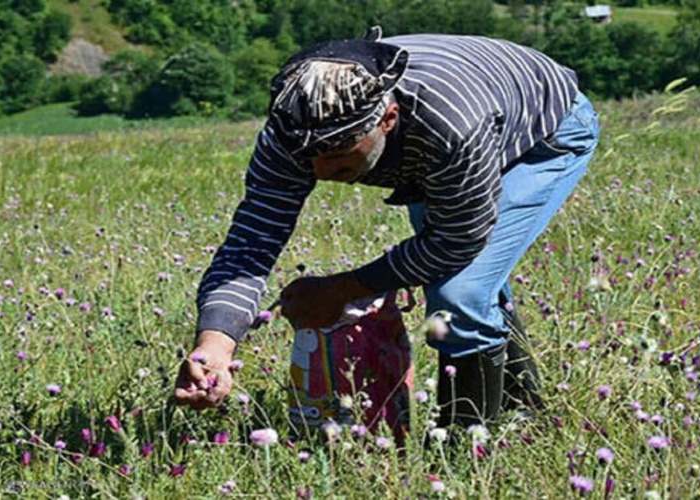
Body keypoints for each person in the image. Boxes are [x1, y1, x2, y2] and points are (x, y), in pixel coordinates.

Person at [174, 27, 600, 427]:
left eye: (339, 153)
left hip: (544, 132)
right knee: (475, 284)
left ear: (388, 118)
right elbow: (252, 241)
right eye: (309, 159)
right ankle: (521, 409)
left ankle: (466, 451)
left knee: (460, 291)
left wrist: (343, 289)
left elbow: (458, 239)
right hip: (449, 137)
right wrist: (216, 342)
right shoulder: (294, 131)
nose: (321, 170)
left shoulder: (450, 126)